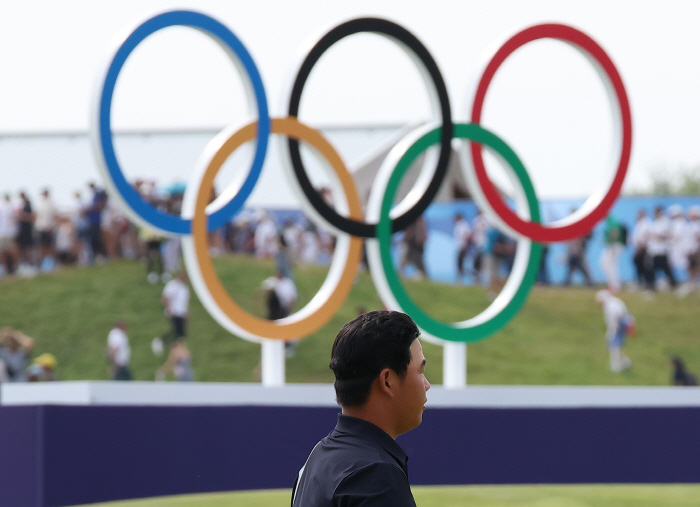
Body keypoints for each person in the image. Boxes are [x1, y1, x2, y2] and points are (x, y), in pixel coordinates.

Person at [291, 310, 429, 506]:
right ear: (388, 381)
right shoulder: (376, 474)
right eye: (421, 371)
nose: (427, 384)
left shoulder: (318, 457)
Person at [595, 290, 634, 373]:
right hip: (623, 323)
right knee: (616, 346)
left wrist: (613, 330)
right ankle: (626, 363)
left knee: (614, 346)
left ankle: (616, 367)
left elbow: (615, 317)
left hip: (619, 325)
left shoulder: (610, 305)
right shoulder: (615, 301)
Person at [646, 206, 676, 291]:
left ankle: (673, 284)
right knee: (653, 269)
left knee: (666, 269)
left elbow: (667, 236)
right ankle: (653, 286)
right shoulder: (655, 222)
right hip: (654, 250)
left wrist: (656, 235)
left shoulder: (665, 222)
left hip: (662, 250)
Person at [158, 270, 191, 347]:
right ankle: (163, 342)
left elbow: (184, 302)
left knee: (180, 332)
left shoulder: (184, 287)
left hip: (181, 313)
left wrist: (186, 313)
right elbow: (165, 297)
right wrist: (168, 309)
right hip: (175, 312)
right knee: (178, 332)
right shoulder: (173, 285)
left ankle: (176, 346)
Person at [453, 213, 472, 281]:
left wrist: (464, 246)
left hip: (463, 247)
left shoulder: (463, 225)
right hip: (461, 247)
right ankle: (460, 278)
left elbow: (467, 235)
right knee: (459, 263)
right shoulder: (459, 225)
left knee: (461, 263)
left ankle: (461, 278)